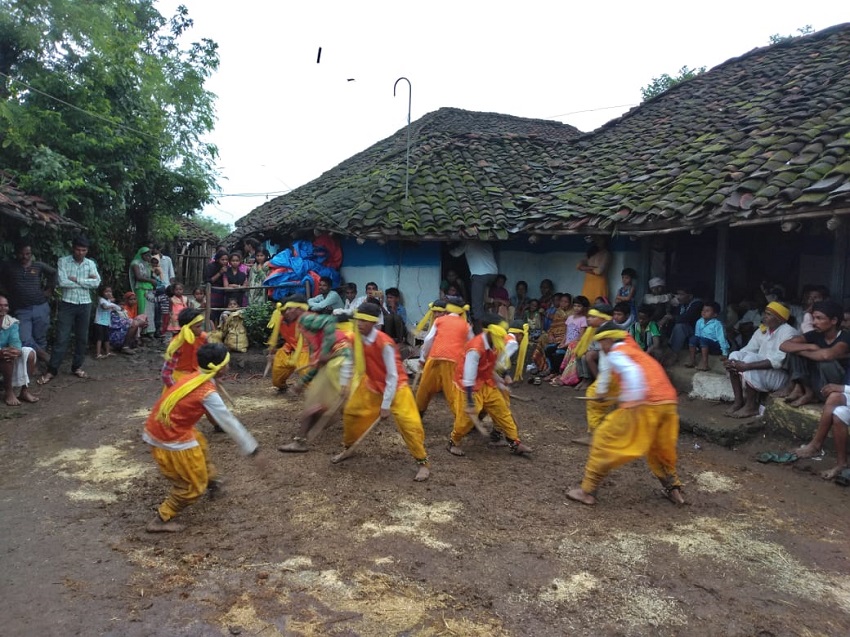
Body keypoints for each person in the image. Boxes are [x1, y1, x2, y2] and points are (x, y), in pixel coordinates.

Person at [143, 342, 264, 533]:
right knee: (192, 486)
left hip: (164, 426)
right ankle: (161, 519)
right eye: (227, 363)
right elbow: (228, 422)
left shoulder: (194, 376)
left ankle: (212, 481)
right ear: (221, 367)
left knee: (200, 445)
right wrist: (252, 449)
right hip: (170, 436)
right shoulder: (207, 392)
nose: (229, 366)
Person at [566, 321, 684, 506]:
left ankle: (587, 491)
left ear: (610, 339)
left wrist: (631, 401)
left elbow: (632, 374)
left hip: (645, 404)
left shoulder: (617, 352)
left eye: (601, 342)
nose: (601, 347)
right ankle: (674, 490)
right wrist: (608, 395)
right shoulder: (636, 351)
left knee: (603, 439)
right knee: (658, 449)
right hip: (667, 403)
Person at [335, 302, 430, 481]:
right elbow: (349, 361)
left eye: (364, 320)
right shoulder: (355, 338)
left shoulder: (384, 343)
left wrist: (386, 405)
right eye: (358, 320)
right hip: (371, 384)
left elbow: (392, 376)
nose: (360, 324)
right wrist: (344, 385)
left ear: (373, 322)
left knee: (409, 426)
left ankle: (422, 463)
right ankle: (349, 448)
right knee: (352, 413)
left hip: (396, 387)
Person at [448, 313, 532, 457]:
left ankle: (514, 443)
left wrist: (500, 383)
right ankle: (453, 442)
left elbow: (489, 367)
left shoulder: (496, 344)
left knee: (503, 413)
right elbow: (469, 378)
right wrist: (469, 401)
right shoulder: (475, 349)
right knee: (465, 420)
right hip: (469, 386)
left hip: (487, 383)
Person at [278, 313, 353, 453]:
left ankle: (300, 441)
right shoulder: (322, 340)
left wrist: (344, 382)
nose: (302, 334)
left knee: (316, 405)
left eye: (303, 330)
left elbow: (329, 319)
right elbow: (318, 365)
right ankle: (302, 438)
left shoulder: (324, 333)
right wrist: (302, 382)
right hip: (336, 369)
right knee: (320, 406)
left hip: (339, 369)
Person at [40, 236, 101, 384]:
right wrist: (86, 281)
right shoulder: (63, 261)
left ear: (87, 250)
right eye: (78, 249)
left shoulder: (90, 263)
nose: (80, 253)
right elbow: (62, 282)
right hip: (68, 303)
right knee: (62, 337)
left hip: (85, 303)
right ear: (73, 248)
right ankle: (52, 370)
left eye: (84, 250)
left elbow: (97, 282)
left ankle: (77, 367)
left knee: (82, 337)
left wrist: (76, 280)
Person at [724, 301, 798, 418]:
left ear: (779, 319)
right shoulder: (762, 330)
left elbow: (778, 361)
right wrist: (732, 361)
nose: (764, 317)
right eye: (765, 313)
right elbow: (748, 349)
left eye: (769, 315)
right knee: (735, 355)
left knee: (750, 360)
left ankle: (751, 406)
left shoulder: (788, 332)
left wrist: (747, 366)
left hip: (780, 377)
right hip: (761, 372)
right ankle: (738, 401)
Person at [779, 300, 850, 407]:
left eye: (819, 318)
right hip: (817, 382)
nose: (814, 322)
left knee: (826, 362)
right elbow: (784, 345)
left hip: (835, 387)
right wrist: (809, 346)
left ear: (834, 320)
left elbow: (827, 355)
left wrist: (802, 352)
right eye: (813, 318)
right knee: (793, 353)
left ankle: (814, 394)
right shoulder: (815, 334)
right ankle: (808, 392)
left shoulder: (844, 337)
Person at [0, 242, 56, 363]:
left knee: (40, 337)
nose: (25, 257)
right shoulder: (9, 266)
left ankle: (37, 366)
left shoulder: (38, 265)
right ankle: (43, 355)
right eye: (21, 254)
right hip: (21, 309)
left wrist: (50, 290)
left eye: (28, 254)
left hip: (40, 306)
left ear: (31, 254)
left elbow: (54, 273)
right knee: (24, 338)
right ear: (16, 254)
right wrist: (7, 292)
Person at [416, 297, 472, 416]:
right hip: (454, 360)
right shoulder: (466, 325)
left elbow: (428, 340)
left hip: (434, 357)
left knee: (425, 387)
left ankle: (418, 411)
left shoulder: (439, 321)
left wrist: (422, 358)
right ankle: (461, 419)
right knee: (453, 392)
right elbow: (472, 345)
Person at [449, 241, 497, 329]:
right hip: (493, 273)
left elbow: (455, 254)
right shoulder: (487, 243)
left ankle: (479, 330)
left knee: (477, 307)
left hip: (480, 274)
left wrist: (448, 246)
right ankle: (489, 321)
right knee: (485, 299)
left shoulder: (467, 242)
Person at [0, 295, 39, 406]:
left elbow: (15, 342)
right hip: (2, 354)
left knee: (29, 353)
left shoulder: (11, 323)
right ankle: (9, 392)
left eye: (5, 305)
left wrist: (16, 351)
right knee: (6, 356)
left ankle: (24, 391)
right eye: (0, 305)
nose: (3, 308)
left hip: (5, 352)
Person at [268, 296, 311, 392]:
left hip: (307, 350)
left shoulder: (310, 319)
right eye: (284, 311)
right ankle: (281, 386)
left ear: (298, 309)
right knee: (278, 370)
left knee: (306, 371)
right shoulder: (281, 319)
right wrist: (272, 351)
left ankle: (316, 393)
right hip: (290, 347)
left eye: (289, 309)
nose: (286, 313)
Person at [161, 308, 208, 389]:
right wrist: (175, 390)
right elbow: (166, 374)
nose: (201, 329)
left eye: (201, 325)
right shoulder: (177, 344)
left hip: (198, 378)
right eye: (198, 326)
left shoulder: (204, 338)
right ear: (188, 328)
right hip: (179, 383)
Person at [686, 302, 730, 371]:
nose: (704, 312)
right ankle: (692, 361)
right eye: (703, 310)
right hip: (703, 345)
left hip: (715, 347)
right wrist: (697, 348)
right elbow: (697, 335)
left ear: (714, 314)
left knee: (703, 340)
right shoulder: (699, 321)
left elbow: (721, 339)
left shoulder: (717, 324)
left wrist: (724, 353)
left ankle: (705, 365)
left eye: (707, 311)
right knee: (693, 338)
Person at [662, 287, 703, 355]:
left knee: (680, 326)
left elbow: (686, 318)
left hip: (698, 333)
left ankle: (673, 352)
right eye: (678, 294)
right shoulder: (682, 304)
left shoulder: (697, 304)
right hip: (688, 333)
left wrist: (671, 317)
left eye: (681, 294)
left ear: (690, 296)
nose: (678, 297)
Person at [129, 246, 157, 337]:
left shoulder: (147, 264)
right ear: (141, 254)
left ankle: (150, 330)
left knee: (150, 310)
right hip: (140, 288)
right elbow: (138, 277)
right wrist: (151, 281)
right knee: (142, 309)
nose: (148, 256)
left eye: (149, 254)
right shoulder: (135, 263)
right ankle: (141, 332)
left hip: (148, 289)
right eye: (145, 254)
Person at [577, 236, 611, 302]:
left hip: (599, 282)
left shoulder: (606, 254)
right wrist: (592, 268)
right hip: (588, 281)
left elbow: (599, 271)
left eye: (601, 240)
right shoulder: (590, 252)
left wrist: (585, 269)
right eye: (597, 240)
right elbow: (578, 266)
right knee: (585, 301)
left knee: (599, 301)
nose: (598, 242)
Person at [94, 285, 122, 359]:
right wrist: (112, 306)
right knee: (99, 338)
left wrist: (112, 302)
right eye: (106, 291)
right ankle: (98, 354)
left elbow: (113, 303)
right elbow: (104, 307)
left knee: (106, 337)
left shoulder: (108, 301)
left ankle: (108, 352)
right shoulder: (101, 299)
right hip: (99, 321)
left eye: (110, 291)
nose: (108, 293)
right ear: (102, 293)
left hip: (106, 322)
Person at [203, 250, 230, 324]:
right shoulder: (210, 267)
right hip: (213, 292)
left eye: (226, 260)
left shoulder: (229, 268)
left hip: (224, 293)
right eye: (222, 259)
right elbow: (208, 281)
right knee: (212, 313)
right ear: (217, 259)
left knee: (222, 313)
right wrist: (220, 273)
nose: (225, 261)